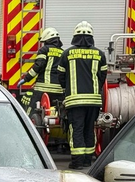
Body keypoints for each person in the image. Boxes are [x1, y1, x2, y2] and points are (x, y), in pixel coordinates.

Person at [57, 21, 107, 169]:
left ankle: (77, 162)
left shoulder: (67, 54)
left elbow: (61, 75)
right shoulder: (100, 54)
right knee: (89, 128)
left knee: (76, 129)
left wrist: (67, 89)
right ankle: (87, 160)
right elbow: (102, 75)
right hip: (94, 101)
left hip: (75, 100)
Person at [18, 27, 64, 116]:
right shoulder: (63, 52)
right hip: (58, 90)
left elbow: (38, 66)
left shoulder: (44, 50)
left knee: (33, 111)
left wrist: (26, 79)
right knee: (57, 113)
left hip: (43, 88)